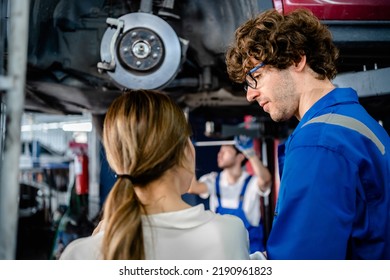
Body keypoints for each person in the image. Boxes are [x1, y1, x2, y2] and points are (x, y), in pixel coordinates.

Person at [225, 8, 390, 259]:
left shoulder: (319, 143)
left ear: (295, 59)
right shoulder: (358, 124)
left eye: (256, 76)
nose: (250, 94)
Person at [59, 89, 251, 260]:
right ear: (188, 151)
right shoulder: (228, 233)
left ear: (115, 161)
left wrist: (96, 241)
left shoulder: (79, 255)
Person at [189, 135, 272, 254]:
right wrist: (189, 153)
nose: (220, 154)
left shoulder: (251, 183)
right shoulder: (213, 180)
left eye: (226, 151)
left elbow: (266, 180)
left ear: (240, 156)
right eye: (220, 151)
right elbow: (192, 188)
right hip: (222, 255)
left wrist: (251, 154)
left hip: (251, 257)